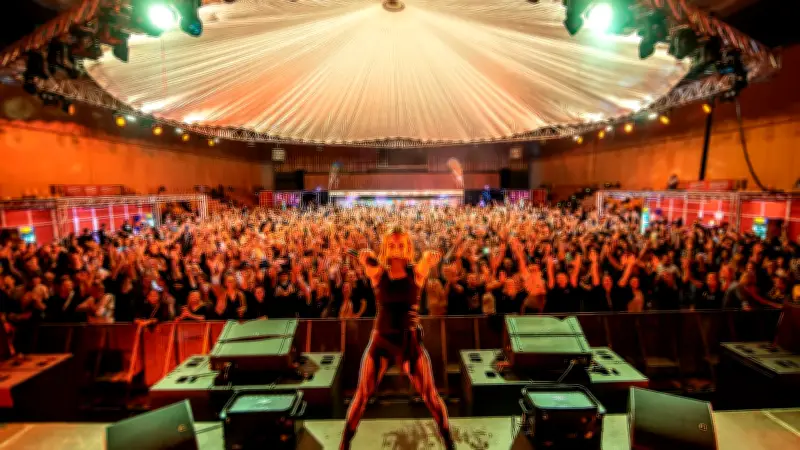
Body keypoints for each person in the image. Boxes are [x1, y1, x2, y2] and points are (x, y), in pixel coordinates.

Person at [340, 228, 454, 450]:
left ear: (408, 247)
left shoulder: (416, 272)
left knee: (430, 396)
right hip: (381, 341)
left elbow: (425, 260)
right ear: (385, 248)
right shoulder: (378, 272)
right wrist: (364, 256)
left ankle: (449, 442)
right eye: (392, 245)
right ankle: (344, 444)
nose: (396, 249)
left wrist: (430, 257)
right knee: (362, 396)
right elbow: (368, 261)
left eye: (401, 245)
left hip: (409, 341)